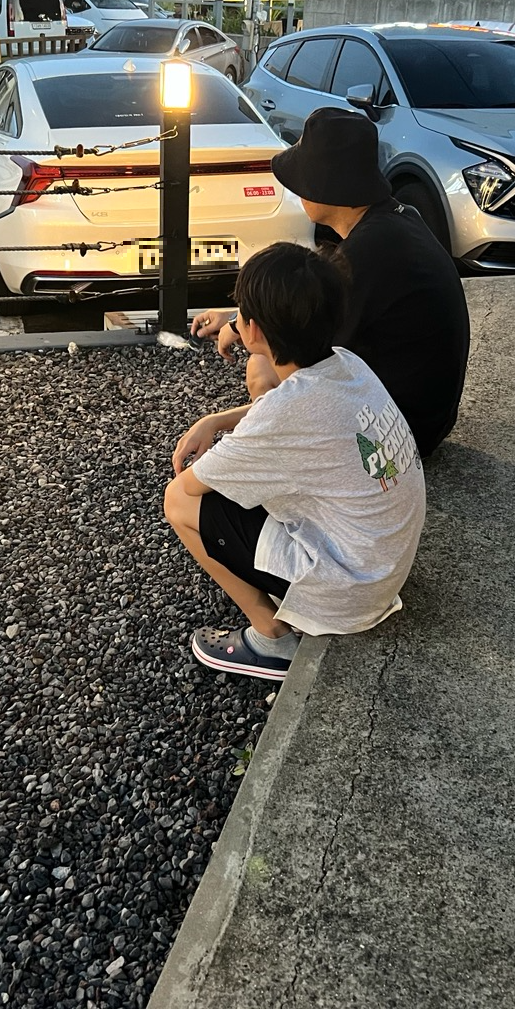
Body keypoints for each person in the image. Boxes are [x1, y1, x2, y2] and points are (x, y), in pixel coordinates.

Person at [165, 242, 426, 682]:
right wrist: (217, 420)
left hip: (348, 594)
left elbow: (192, 486)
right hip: (380, 566)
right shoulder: (347, 363)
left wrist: (229, 442)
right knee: (256, 450)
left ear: (253, 330)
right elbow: (290, 415)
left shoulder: (285, 414)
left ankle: (272, 639)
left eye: (239, 313)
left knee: (178, 501)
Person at [192, 106, 470, 459]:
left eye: (302, 180)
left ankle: (273, 438)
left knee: (264, 363)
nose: (296, 190)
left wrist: (217, 420)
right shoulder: (397, 223)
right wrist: (236, 319)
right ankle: (273, 427)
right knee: (266, 356)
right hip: (429, 416)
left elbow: (307, 364)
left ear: (326, 185)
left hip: (396, 434)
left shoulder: (363, 255)